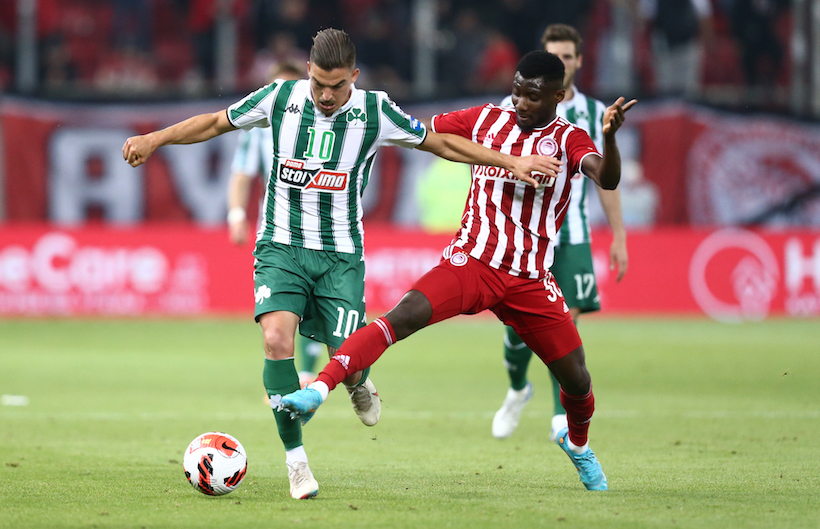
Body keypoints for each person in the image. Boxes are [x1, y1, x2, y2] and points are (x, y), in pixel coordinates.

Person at [122, 29, 557, 500]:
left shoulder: (376, 111)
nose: (326, 95)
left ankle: (359, 382)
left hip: (340, 255)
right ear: (308, 71)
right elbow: (214, 123)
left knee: (345, 359)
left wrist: (509, 161)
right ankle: (296, 463)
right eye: (319, 84)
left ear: (355, 76)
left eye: (337, 86)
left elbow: (441, 145)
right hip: (281, 245)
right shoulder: (280, 98)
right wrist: (154, 138)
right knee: (276, 338)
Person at [282, 51, 636, 492]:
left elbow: (606, 177)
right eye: (517, 93)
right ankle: (318, 390)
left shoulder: (568, 139)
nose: (521, 103)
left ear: (558, 97)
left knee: (578, 382)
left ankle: (578, 444)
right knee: (401, 316)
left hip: (529, 278)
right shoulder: (486, 119)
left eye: (533, 96)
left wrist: (610, 139)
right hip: (472, 262)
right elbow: (421, 132)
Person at [492, 23, 628, 442]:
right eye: (555, 55)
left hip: (572, 236)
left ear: (579, 60)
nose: (562, 63)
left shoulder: (594, 112)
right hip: (522, 235)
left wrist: (619, 235)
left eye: (568, 56)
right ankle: (518, 388)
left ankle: (558, 417)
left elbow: (604, 178)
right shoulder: (512, 106)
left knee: (564, 324)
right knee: (518, 331)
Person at [226, 61, 322, 388]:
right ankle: (287, 375)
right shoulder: (259, 128)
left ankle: (307, 373)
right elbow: (242, 173)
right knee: (278, 306)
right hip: (275, 227)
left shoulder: (324, 124)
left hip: (320, 224)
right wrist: (237, 214)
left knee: (314, 299)